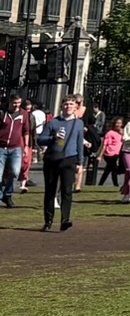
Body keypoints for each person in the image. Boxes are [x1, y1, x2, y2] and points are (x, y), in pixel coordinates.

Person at [39, 94, 85, 232]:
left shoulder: (79, 123)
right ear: (62, 106)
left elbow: (79, 143)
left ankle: (65, 219)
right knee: (50, 190)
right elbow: (40, 139)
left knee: (67, 190)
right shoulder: (53, 122)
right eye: (66, 104)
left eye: (71, 104)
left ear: (76, 107)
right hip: (53, 159)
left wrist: (80, 162)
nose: (68, 107)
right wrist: (53, 138)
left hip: (69, 159)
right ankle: (48, 220)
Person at [0, 96, 28, 209]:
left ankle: (7, 194)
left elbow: (26, 131)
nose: (17, 105)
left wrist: (26, 146)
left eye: (19, 103)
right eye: (14, 103)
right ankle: (1, 195)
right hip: (1, 147)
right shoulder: (3, 113)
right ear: (10, 103)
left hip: (15, 148)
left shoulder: (24, 114)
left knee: (15, 172)